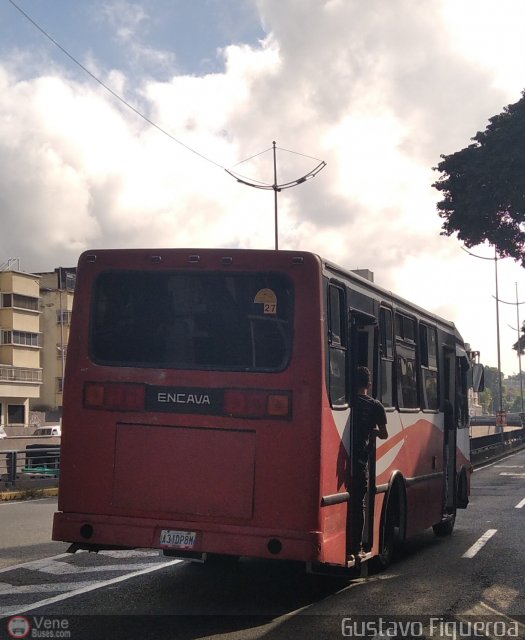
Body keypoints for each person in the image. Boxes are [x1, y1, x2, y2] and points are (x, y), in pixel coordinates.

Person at [351, 366, 388, 558]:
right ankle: (356, 547)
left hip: (344, 458)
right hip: (360, 461)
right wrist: (370, 431)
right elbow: (384, 434)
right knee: (359, 504)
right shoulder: (375, 406)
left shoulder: (347, 402)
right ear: (369, 384)